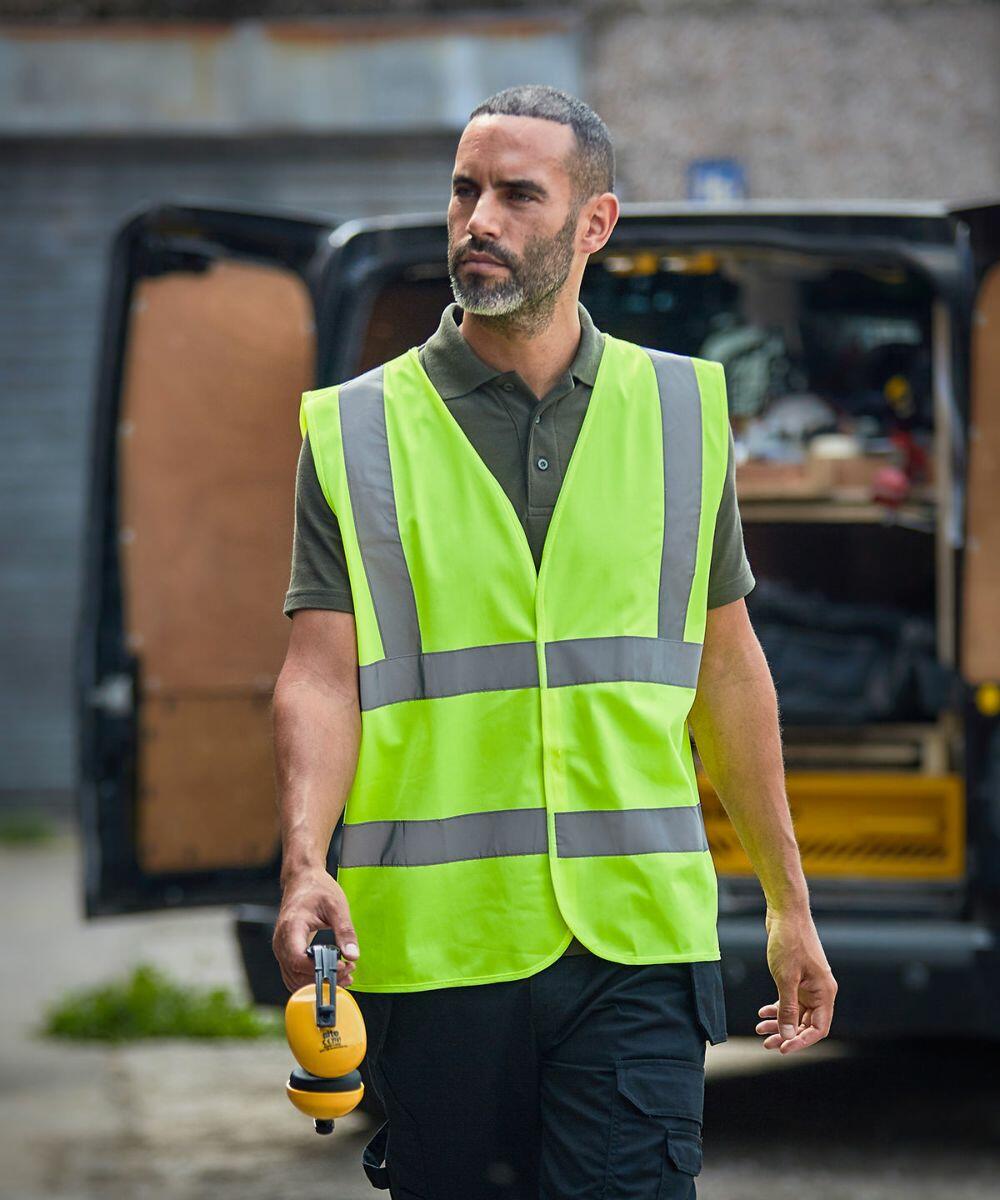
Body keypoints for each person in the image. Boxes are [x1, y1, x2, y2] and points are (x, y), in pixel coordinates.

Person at [272, 84, 837, 1200]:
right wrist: (303, 863)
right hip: (439, 949)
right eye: (464, 190)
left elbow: (726, 672)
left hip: (636, 938)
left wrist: (788, 904)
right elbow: (319, 677)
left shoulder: (681, 415)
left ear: (594, 224)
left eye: (517, 195)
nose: (478, 219)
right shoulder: (354, 431)